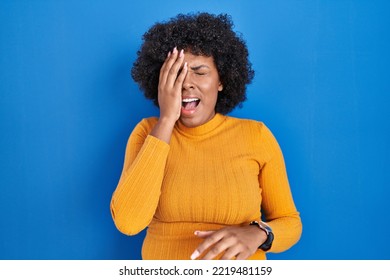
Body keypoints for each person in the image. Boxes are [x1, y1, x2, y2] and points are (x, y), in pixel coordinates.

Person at [110, 12, 302, 260]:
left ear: (221, 79)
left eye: (199, 72)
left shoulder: (257, 136)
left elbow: (290, 222)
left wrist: (258, 234)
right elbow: (128, 222)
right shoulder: (147, 132)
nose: (187, 84)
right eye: (176, 74)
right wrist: (167, 120)